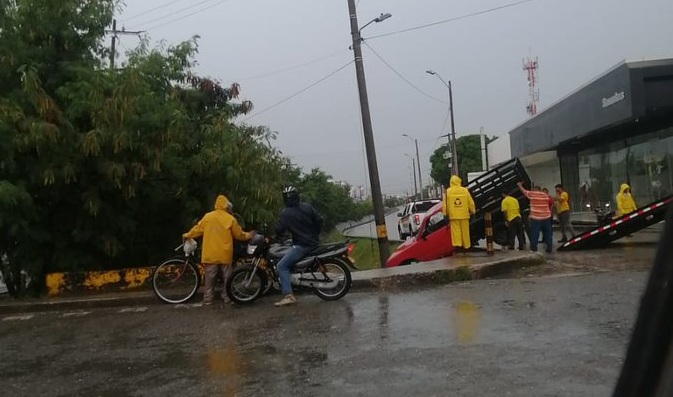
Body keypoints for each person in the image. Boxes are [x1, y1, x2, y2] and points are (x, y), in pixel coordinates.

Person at [182, 195, 253, 305]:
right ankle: (227, 297)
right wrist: (249, 235)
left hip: (210, 254)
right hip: (225, 254)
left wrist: (187, 235)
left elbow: (197, 229)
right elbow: (239, 235)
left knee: (209, 279)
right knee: (227, 278)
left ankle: (208, 299)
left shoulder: (208, 217)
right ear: (227, 206)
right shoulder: (230, 219)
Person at [274, 186, 323, 307]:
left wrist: (277, 235)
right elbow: (320, 220)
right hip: (313, 242)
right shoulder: (307, 206)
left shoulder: (285, 213)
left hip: (302, 245)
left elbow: (280, 229)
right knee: (289, 250)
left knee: (281, 266)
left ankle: (288, 296)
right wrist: (315, 233)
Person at [443, 175, 476, 252]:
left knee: (456, 232)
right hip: (464, 215)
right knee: (465, 231)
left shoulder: (448, 191)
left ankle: (458, 247)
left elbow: (445, 204)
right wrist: (473, 212)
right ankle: (466, 247)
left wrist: (445, 214)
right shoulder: (465, 190)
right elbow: (470, 202)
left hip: (453, 215)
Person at [517, 182, 553, 253]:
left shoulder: (532, 194)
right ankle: (549, 248)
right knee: (548, 233)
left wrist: (520, 185)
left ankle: (534, 248)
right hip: (546, 217)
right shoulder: (545, 195)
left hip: (536, 218)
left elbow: (524, 191)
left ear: (534, 189)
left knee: (535, 233)